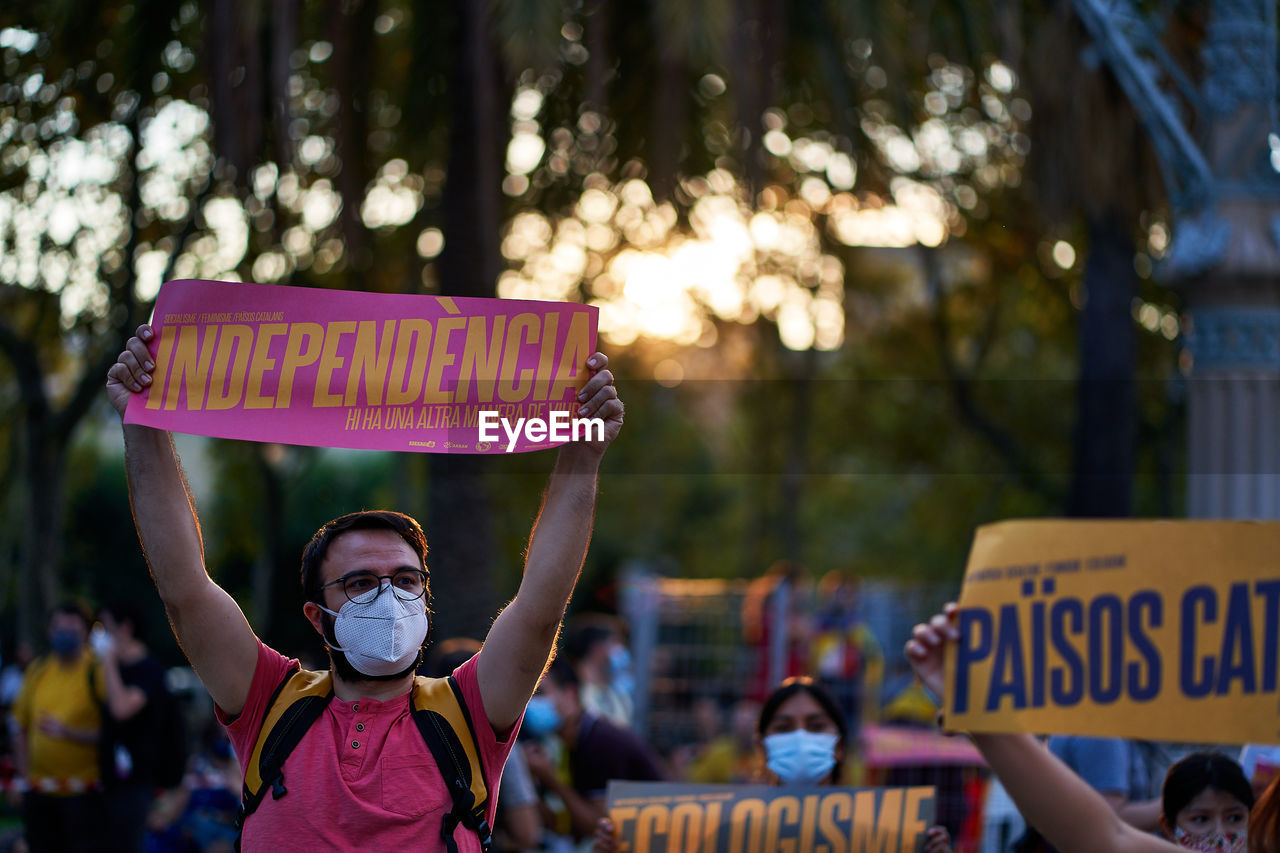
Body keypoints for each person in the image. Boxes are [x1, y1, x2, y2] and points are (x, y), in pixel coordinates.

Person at [106, 323, 624, 851]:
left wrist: (583, 455)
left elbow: (541, 606)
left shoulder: (469, 709)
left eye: (404, 579)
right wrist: (142, 426)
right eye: (359, 582)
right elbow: (184, 587)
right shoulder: (270, 700)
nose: (387, 596)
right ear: (316, 614)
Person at [905, 604, 1260, 853]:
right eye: (1201, 819)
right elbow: (1108, 835)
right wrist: (980, 715)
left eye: (1234, 818)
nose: (1219, 836)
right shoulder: (1098, 730)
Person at [592, 676, 953, 852]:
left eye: (815, 726)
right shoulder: (722, 827)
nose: (800, 736)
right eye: (783, 727)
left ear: (839, 746)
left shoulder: (886, 832)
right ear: (762, 747)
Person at [523, 657, 664, 843]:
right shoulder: (570, 743)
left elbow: (596, 827)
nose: (530, 704)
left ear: (570, 694)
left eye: (540, 693)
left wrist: (551, 780)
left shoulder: (600, 742)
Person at [9, 602, 107, 853]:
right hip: (40, 792)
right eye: (59, 629)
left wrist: (68, 733)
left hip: (83, 794)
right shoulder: (38, 671)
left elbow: (111, 733)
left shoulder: (97, 671)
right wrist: (24, 776)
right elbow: (18, 724)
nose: (64, 635)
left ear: (85, 633)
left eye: (71, 630)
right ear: (50, 631)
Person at [92, 601, 172, 853]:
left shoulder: (147, 670)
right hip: (111, 782)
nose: (100, 636)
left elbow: (122, 708)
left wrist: (108, 661)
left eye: (105, 627)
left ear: (125, 628)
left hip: (136, 785)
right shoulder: (116, 669)